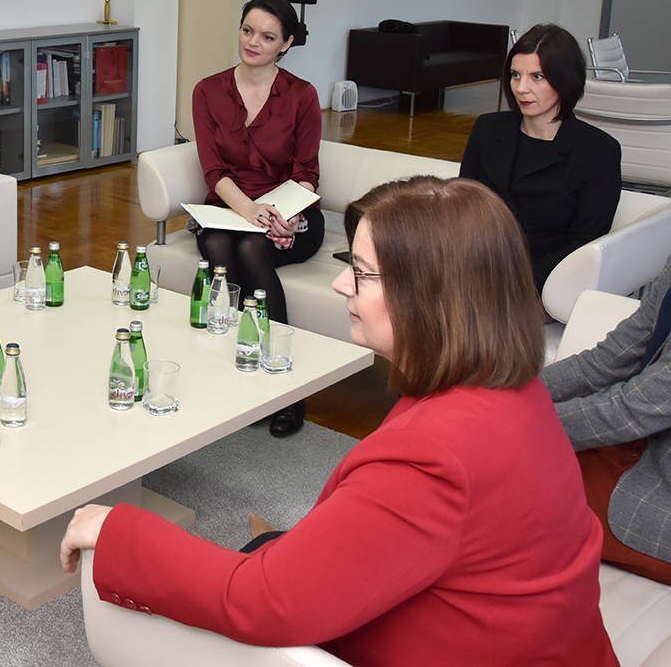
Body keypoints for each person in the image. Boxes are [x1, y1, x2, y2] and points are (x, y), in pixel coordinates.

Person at [60, 176, 616, 667]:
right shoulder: (515, 389)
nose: (341, 284)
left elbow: (264, 602)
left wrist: (114, 530)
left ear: (429, 298)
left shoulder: (435, 457)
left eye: (362, 273)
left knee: (246, 569)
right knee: (272, 548)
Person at [190, 0, 323, 437]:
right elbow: (213, 171)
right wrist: (248, 210)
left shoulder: (302, 95)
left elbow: (306, 174)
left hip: (291, 213)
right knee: (216, 241)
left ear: (286, 44)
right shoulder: (208, 91)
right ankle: (235, 373)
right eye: (248, 31)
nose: (253, 42)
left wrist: (283, 214)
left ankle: (286, 390)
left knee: (249, 247)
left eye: (267, 37)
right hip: (230, 208)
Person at [459, 23, 621, 293]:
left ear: (565, 80)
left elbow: (583, 244)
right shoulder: (487, 129)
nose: (521, 88)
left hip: (545, 283)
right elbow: (462, 209)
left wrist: (517, 283)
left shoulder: (598, 151)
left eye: (537, 77)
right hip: (473, 270)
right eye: (515, 75)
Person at [542, 250, 671, 586]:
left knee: (509, 482)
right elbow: (609, 360)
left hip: (659, 484)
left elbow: (635, 409)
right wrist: (508, 391)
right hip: (647, 443)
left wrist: (511, 419)